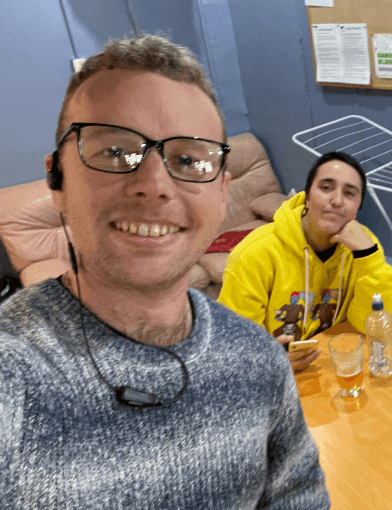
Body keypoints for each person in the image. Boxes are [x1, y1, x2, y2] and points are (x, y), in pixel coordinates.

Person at [0, 35, 330, 509]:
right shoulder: (13, 374)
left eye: (189, 160)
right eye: (115, 152)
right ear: (57, 181)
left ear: (221, 192)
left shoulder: (259, 361)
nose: (154, 186)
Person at [218, 152, 392, 371]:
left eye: (349, 193)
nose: (337, 200)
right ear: (307, 197)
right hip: (274, 375)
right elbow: (233, 344)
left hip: (333, 363)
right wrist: (268, 363)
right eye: (326, 188)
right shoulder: (255, 253)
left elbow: (378, 324)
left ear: (358, 206)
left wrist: (368, 257)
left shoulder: (364, 245)